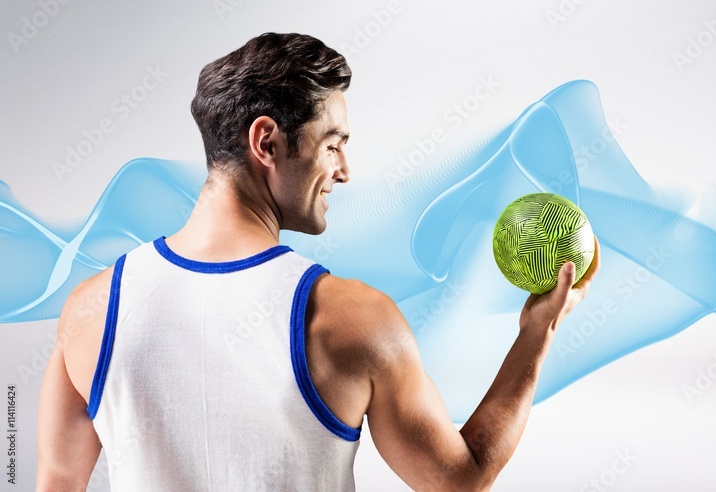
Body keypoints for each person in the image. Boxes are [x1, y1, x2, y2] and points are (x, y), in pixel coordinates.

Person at [36, 32, 600, 491]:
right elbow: (459, 479)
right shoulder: (352, 318)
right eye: (333, 143)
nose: (345, 170)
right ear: (267, 142)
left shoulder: (90, 310)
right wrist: (536, 332)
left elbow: (56, 482)